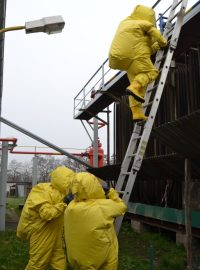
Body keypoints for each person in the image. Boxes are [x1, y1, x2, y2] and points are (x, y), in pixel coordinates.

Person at [109, 5, 167, 121]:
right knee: (151, 72)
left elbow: (143, 46)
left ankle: (136, 113)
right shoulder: (144, 24)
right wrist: (163, 42)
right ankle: (135, 86)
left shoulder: (125, 24)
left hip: (121, 59)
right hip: (136, 55)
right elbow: (155, 34)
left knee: (137, 87)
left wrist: (155, 46)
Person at [16, 166, 76, 270]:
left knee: (59, 263)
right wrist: (65, 203)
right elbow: (47, 214)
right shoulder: (41, 190)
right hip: (41, 232)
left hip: (56, 232)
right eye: (70, 181)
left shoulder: (64, 193)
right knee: (37, 264)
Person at [64, 172, 127, 270]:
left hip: (76, 257)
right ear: (94, 185)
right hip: (100, 255)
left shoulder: (70, 207)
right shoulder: (102, 205)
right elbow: (122, 207)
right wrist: (112, 193)